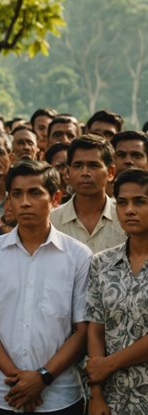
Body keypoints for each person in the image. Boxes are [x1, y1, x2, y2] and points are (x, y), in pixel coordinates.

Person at [0, 160, 90, 414]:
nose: (25, 202)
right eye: (17, 194)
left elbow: (82, 330)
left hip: (58, 394)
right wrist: (20, 381)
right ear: (8, 200)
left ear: (55, 197)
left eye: (34, 193)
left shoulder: (78, 255)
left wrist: (42, 377)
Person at [86, 168, 148, 414]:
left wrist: (109, 364)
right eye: (122, 203)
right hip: (113, 397)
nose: (129, 210)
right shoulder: (102, 263)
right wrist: (97, 394)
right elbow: (95, 328)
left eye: (140, 202)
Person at [51, 135, 124, 253]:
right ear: (68, 172)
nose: (85, 173)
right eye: (78, 166)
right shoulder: (51, 221)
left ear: (110, 172)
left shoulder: (125, 219)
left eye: (93, 165)